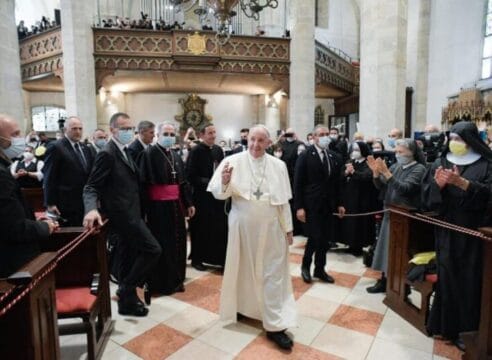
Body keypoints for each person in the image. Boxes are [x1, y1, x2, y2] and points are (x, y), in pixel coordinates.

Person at [208, 125, 296, 350]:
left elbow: (284, 201)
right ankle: (244, 308)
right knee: (243, 269)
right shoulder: (233, 161)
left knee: (273, 273)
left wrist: (288, 228)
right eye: (253, 140)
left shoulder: (279, 165)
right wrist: (226, 180)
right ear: (247, 140)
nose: (256, 145)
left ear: (269, 143)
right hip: (242, 227)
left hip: (272, 227)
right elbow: (219, 194)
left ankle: (275, 325)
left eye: (261, 141)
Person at [422, 121, 492, 351]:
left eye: (460, 139)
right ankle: (443, 325)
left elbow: (489, 197)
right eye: (452, 137)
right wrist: (437, 186)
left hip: (472, 232)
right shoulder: (441, 161)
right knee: (447, 276)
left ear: (471, 141)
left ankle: (465, 330)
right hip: (446, 228)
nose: (455, 143)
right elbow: (426, 196)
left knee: (468, 280)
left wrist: (465, 184)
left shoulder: (486, 164)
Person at [83, 112, 161, 317]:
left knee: (128, 258)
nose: (129, 132)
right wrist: (91, 209)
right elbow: (91, 186)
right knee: (153, 250)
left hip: (133, 213)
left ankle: (127, 301)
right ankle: (126, 288)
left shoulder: (124, 150)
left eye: (130, 128)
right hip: (122, 217)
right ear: (112, 130)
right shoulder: (107, 153)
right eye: (124, 129)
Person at [138, 122, 194, 295]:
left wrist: (188, 203)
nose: (169, 137)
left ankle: (177, 279)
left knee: (179, 244)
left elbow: (182, 183)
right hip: (157, 209)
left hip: (176, 207)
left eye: (172, 134)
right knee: (164, 244)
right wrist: (143, 212)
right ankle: (161, 283)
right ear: (157, 134)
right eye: (166, 133)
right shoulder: (147, 154)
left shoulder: (175, 155)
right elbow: (142, 186)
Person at [0, 114, 57, 278]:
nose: (20, 140)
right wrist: (45, 227)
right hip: (13, 266)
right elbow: (14, 228)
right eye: (15, 135)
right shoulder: (2, 175)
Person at [366, 139, 426, 293]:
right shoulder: (396, 166)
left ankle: (402, 285)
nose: (398, 155)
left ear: (412, 152)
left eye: (401, 152)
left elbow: (405, 189)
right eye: (396, 152)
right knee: (386, 249)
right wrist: (375, 173)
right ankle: (384, 280)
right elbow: (382, 186)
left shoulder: (418, 169)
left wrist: (386, 172)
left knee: (400, 252)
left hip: (405, 217)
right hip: (390, 212)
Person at [294, 125, 345, 284]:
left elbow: (337, 183)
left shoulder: (333, 156)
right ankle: (305, 266)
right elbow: (298, 183)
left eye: (326, 134)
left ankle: (320, 269)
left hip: (328, 204)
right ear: (314, 137)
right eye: (321, 134)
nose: (324, 137)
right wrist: (299, 207)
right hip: (311, 204)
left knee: (325, 239)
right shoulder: (306, 155)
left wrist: (340, 204)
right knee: (314, 237)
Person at [186, 123, 227, 270]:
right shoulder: (196, 151)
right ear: (202, 135)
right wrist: (210, 182)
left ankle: (217, 259)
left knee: (217, 228)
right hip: (201, 197)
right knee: (200, 229)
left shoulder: (218, 150)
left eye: (214, 132)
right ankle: (197, 259)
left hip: (216, 197)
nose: (213, 135)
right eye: (210, 133)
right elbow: (190, 176)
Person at [43, 116, 95, 226]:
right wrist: (50, 203)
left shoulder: (85, 148)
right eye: (74, 128)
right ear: (65, 130)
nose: (78, 132)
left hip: (84, 202)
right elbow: (49, 176)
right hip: (65, 203)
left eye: (80, 129)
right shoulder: (56, 147)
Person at [341, 141, 377, 256]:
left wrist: (353, 172)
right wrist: (346, 172)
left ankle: (359, 246)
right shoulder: (350, 161)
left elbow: (367, 177)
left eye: (357, 150)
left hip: (363, 198)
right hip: (350, 197)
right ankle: (350, 244)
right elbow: (341, 175)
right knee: (350, 222)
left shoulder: (368, 163)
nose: (354, 152)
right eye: (353, 150)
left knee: (360, 223)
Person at [280, 128, 305, 235]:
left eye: (291, 133)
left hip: (296, 175)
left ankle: (298, 228)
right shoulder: (281, 144)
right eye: (287, 133)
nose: (289, 135)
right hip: (284, 176)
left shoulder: (299, 144)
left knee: (296, 202)